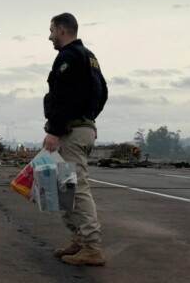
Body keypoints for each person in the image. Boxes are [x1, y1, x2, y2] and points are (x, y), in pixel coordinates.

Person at [43, 13, 108, 266]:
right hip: (82, 126)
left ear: (61, 29)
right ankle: (80, 241)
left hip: (70, 131)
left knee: (76, 188)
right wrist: (89, 116)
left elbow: (64, 95)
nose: (49, 37)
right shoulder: (89, 57)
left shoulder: (68, 56)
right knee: (65, 188)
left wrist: (56, 130)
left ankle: (92, 247)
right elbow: (102, 91)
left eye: (51, 31)